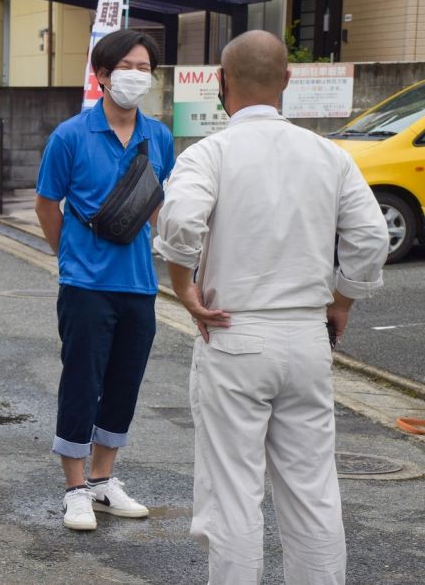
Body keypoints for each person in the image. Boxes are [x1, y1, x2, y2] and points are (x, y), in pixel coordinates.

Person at [154, 30, 389, 584]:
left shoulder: (209, 153)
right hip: (307, 336)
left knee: (234, 493)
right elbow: (371, 236)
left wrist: (185, 287)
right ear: (287, 80)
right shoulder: (328, 154)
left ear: (219, 83)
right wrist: (343, 300)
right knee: (312, 490)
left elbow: (182, 219)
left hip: (233, 333)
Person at [34, 29, 175, 531]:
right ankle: (74, 488)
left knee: (123, 383)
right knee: (81, 381)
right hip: (86, 285)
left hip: (139, 283)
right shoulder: (70, 136)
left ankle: (103, 480)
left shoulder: (157, 136)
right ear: (102, 75)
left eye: (145, 68)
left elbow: (160, 208)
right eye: (128, 67)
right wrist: (69, 258)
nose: (137, 76)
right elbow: (47, 206)